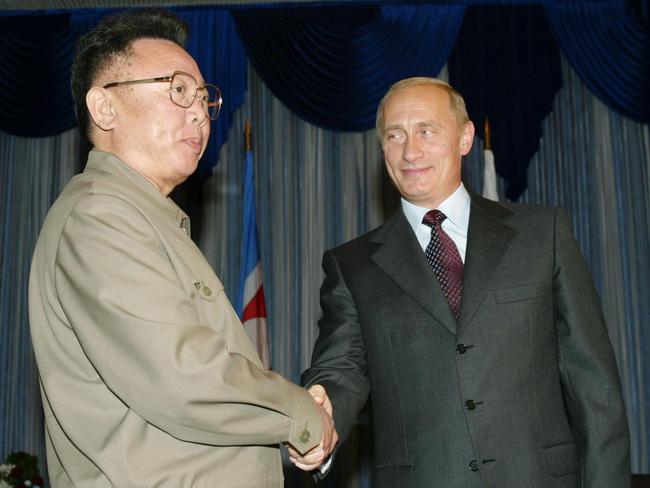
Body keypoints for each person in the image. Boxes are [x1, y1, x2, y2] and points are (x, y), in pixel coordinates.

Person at [28, 9, 336, 488]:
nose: (199, 111)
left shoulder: (147, 218)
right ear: (104, 108)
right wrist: (301, 413)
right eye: (177, 90)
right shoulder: (99, 217)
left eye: (203, 96)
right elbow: (182, 377)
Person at [297, 77, 630, 487]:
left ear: (465, 137)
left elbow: (594, 388)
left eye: (426, 131)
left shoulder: (543, 235)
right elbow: (340, 371)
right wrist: (317, 416)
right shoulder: (353, 265)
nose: (409, 151)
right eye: (394, 135)